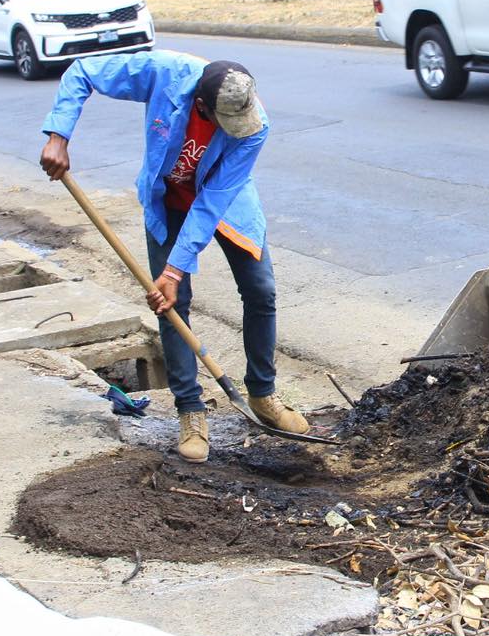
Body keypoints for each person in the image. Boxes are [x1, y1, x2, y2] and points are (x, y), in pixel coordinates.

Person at [39, 52, 311, 463]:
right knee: (171, 303)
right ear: (203, 106)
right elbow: (83, 72)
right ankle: (190, 411)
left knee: (260, 289)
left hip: (226, 202)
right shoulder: (163, 74)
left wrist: (174, 267)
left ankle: (262, 394)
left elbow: (213, 200)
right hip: (167, 202)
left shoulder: (254, 125)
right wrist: (59, 135)